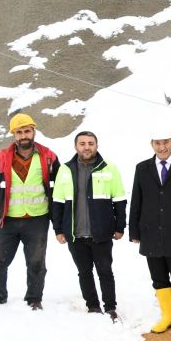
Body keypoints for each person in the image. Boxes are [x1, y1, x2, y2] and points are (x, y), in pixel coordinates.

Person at [0, 113, 60, 310]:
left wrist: (59, 220)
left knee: (36, 262)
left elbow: (59, 188)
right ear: (13, 135)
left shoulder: (48, 156)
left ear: (33, 131)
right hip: (7, 219)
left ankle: (34, 299)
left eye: (27, 131)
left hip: (37, 219)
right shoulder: (1, 158)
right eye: (19, 132)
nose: (24, 135)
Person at [129, 130, 171, 334]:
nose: (162, 147)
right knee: (158, 277)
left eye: (166, 142)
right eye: (158, 143)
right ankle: (167, 316)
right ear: (152, 144)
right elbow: (137, 201)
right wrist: (135, 230)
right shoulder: (142, 169)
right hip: (151, 232)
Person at [52, 131, 127, 321]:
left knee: (105, 271)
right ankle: (92, 306)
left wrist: (120, 227)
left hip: (101, 233)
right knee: (84, 272)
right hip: (75, 234)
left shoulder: (109, 169)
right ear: (76, 146)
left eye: (91, 143)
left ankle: (110, 307)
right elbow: (58, 201)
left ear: (97, 146)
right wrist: (59, 230)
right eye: (83, 143)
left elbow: (119, 200)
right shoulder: (65, 170)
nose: (87, 147)